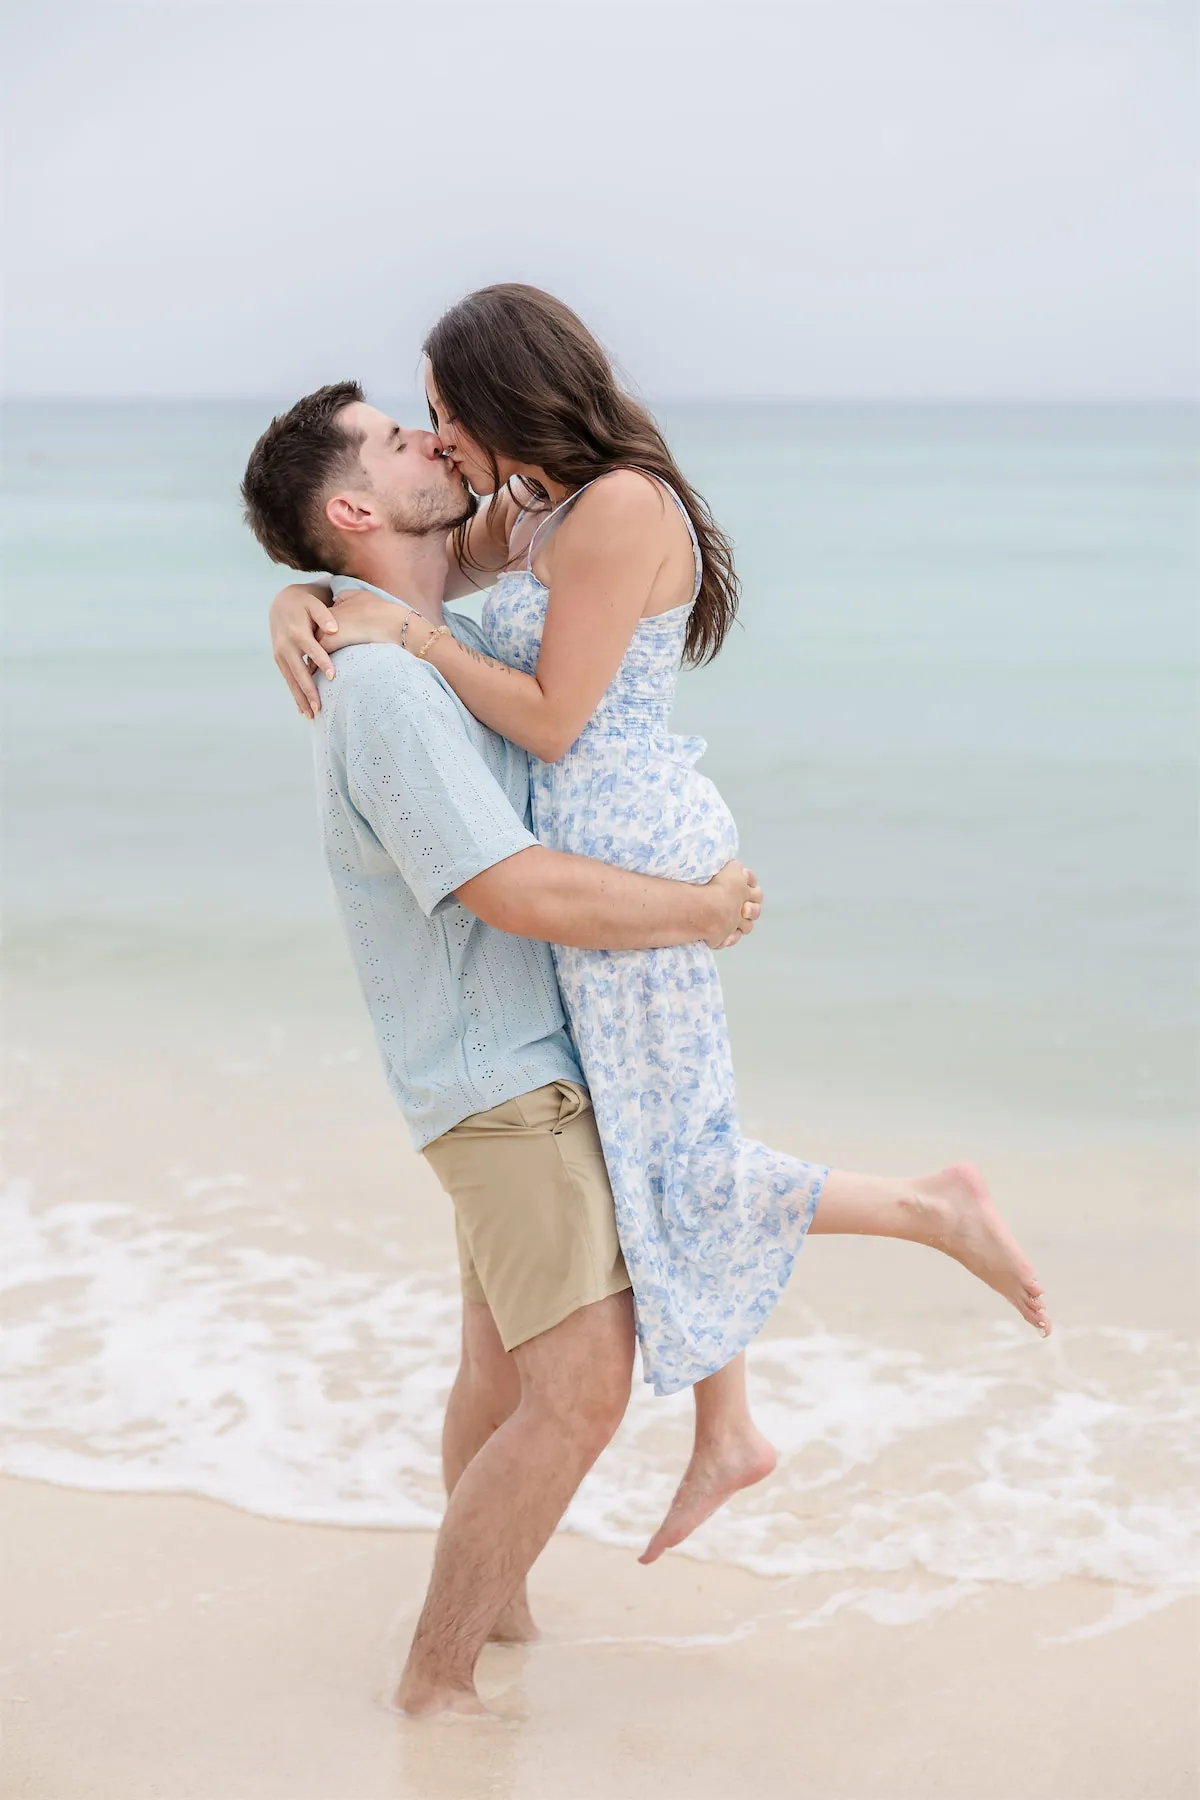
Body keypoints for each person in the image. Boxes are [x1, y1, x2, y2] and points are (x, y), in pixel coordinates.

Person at [267, 295, 1051, 1576]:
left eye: (445, 410)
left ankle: (927, 1211)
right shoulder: (527, 509)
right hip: (593, 848)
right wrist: (297, 599)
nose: (439, 437)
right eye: (421, 423)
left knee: (676, 1156)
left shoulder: (616, 506)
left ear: (505, 393)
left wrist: (405, 634)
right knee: (659, 1145)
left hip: (620, 845)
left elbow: (550, 718)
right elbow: (390, 557)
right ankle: (726, 1426)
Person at [242, 385, 764, 1714]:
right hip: (501, 1085)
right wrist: (698, 913)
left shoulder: (424, 645)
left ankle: (498, 1619)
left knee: (501, 1373)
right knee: (581, 1389)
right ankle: (436, 1684)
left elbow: (531, 564)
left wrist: (296, 595)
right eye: (394, 436)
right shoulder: (385, 692)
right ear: (357, 510)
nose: (431, 440)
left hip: (517, 1064)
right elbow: (513, 887)